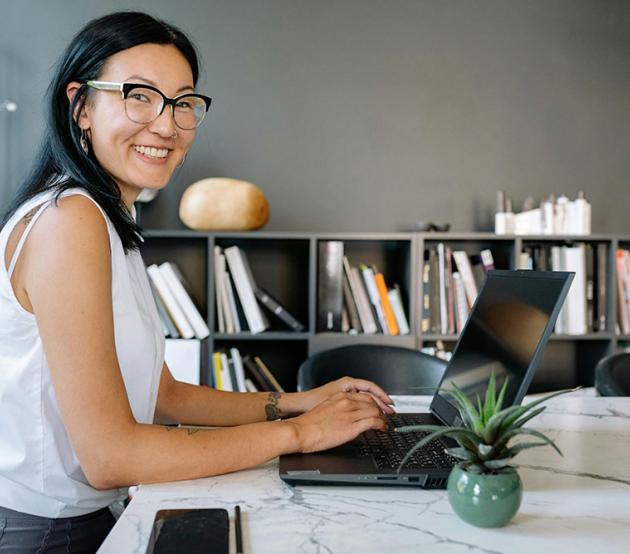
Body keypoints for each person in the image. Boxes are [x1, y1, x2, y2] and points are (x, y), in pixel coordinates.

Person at [0, 11, 393, 552]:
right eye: (140, 95)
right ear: (81, 106)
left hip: (88, 518)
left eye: (183, 102)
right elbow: (110, 456)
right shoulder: (70, 221)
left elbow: (164, 394)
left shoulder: (108, 217)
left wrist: (299, 402)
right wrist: (303, 434)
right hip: (46, 533)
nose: (166, 124)